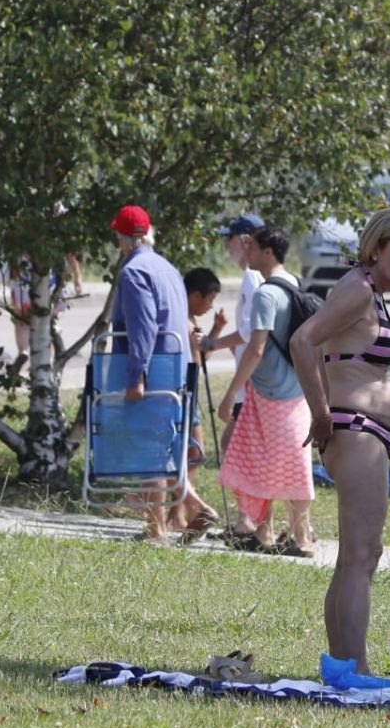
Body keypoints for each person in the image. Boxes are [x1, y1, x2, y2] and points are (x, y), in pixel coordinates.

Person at [290, 207, 390, 685]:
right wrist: (320, 413)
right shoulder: (356, 288)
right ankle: (352, 669)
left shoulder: (369, 293)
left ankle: (343, 665)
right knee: (359, 555)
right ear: (376, 248)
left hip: (368, 432)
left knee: (364, 553)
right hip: (355, 429)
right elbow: (303, 341)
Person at [217, 225, 316, 556]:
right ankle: (267, 532)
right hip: (297, 389)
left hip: (270, 393)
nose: (248, 254)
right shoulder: (295, 284)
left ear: (268, 252)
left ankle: (298, 538)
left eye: (253, 248)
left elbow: (256, 349)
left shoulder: (265, 294)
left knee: (273, 463)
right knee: (277, 462)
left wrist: (231, 393)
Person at [108, 205, 194, 544]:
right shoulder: (167, 267)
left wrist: (136, 375)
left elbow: (142, 328)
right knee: (166, 444)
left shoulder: (134, 272)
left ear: (122, 238)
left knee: (150, 446)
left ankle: (156, 527)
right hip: (177, 365)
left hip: (155, 368)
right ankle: (189, 511)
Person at [206, 214, 266, 415]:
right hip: (254, 379)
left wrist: (211, 344)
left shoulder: (252, 276)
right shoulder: (256, 274)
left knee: (231, 443)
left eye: (229, 238)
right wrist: (236, 345)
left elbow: (252, 330)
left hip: (253, 381)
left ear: (244, 240)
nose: (226, 245)